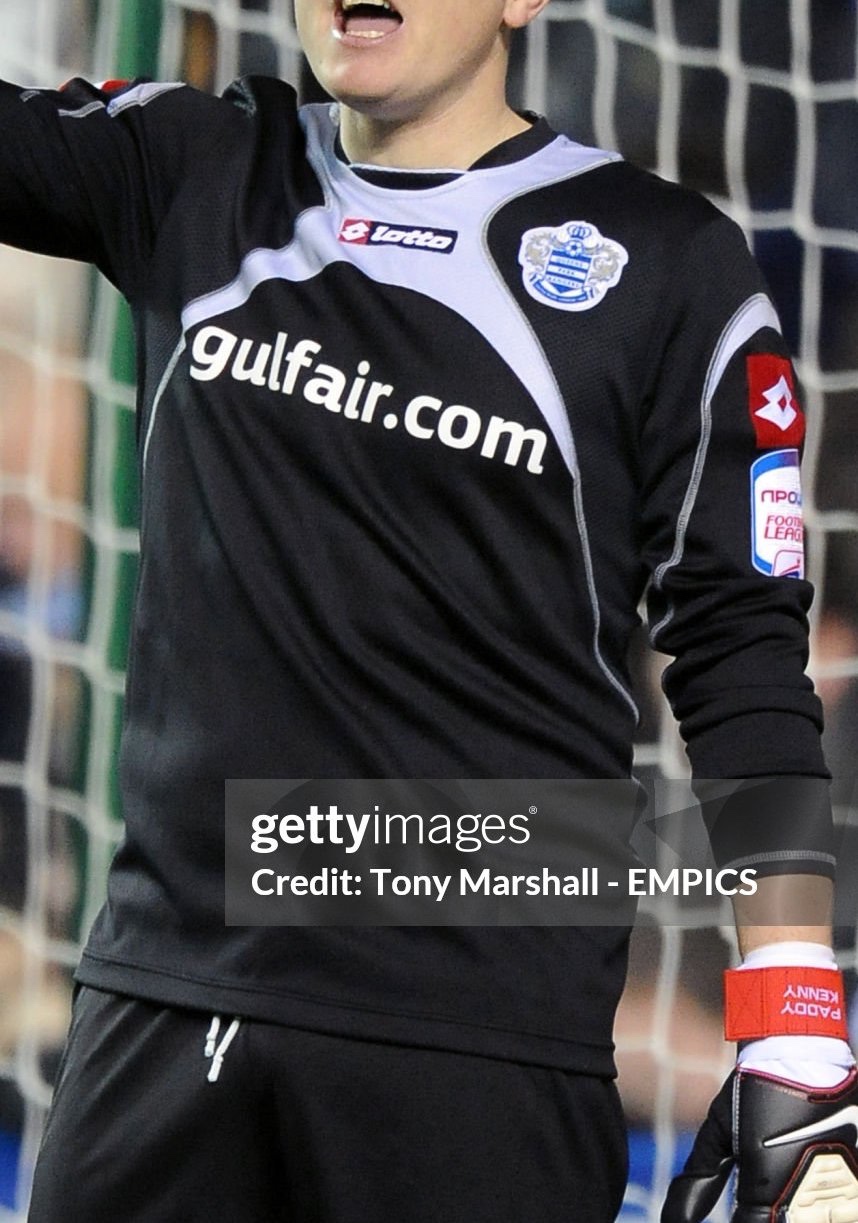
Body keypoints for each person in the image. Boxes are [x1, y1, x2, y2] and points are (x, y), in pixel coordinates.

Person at [0, 1, 854, 1219]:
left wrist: (796, 1029)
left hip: (474, 1052)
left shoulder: (667, 264)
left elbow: (742, 659)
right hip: (161, 1012)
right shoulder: (196, 168)